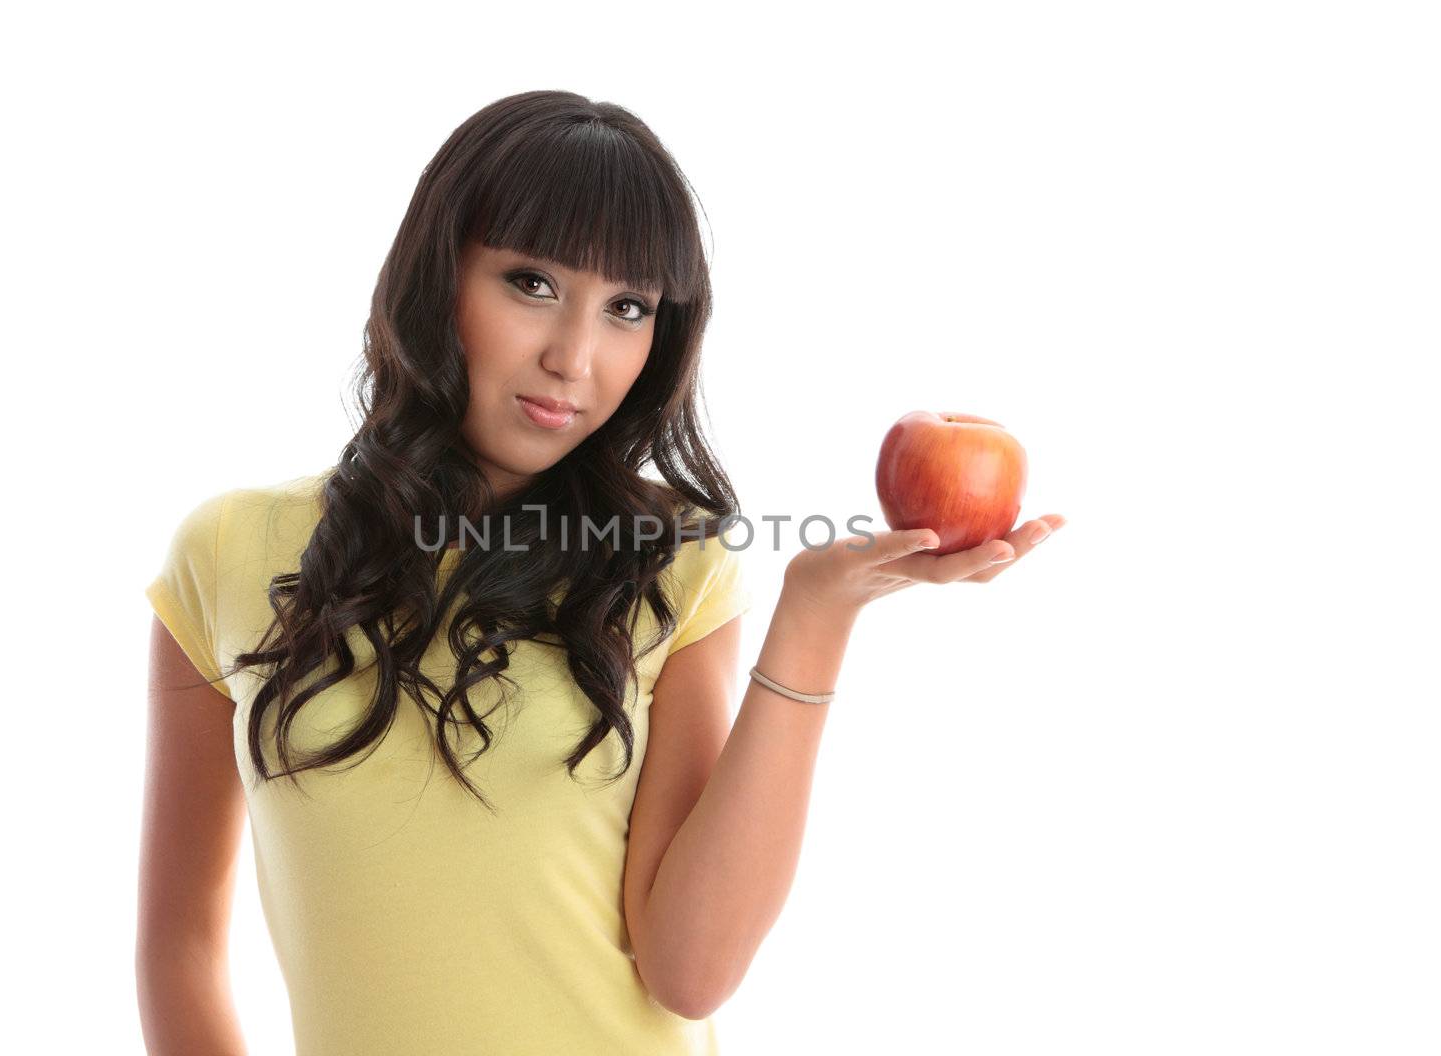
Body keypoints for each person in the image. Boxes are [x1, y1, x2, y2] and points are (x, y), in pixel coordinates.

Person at [137, 89, 1065, 1056]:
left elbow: (689, 970)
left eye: (627, 308)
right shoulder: (230, 553)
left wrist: (818, 617)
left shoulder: (674, 563)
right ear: (437, 274)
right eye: (530, 283)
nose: (574, 357)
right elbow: (182, 947)